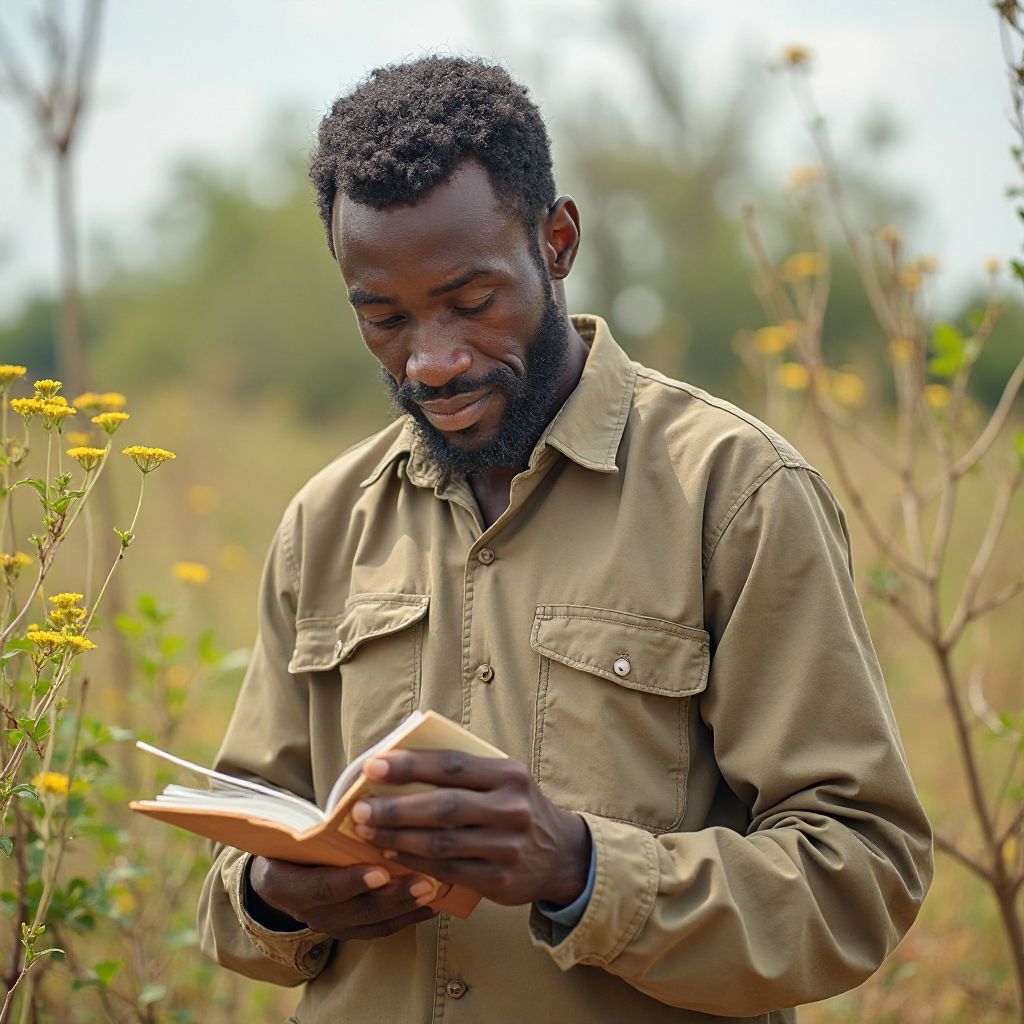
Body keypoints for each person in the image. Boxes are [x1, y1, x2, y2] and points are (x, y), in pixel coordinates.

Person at [197, 55, 932, 1023]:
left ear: (557, 241)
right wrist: (271, 892)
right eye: (384, 318)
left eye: (470, 301)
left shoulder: (737, 495)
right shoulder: (325, 524)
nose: (434, 360)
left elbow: (860, 871)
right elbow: (231, 878)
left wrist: (580, 866)